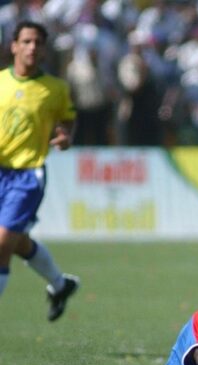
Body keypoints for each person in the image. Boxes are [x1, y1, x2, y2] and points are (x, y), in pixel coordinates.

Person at [0, 20, 79, 321]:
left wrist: (65, 136)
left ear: (44, 49)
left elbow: (68, 119)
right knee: (16, 242)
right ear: (14, 46)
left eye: (38, 43)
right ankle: (60, 285)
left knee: (2, 244)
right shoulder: (1, 82)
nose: (33, 47)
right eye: (27, 41)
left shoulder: (55, 88)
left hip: (28, 175)